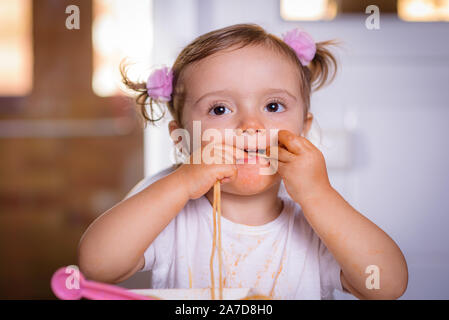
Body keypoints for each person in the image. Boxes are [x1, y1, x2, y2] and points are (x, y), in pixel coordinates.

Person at [78, 23, 408, 299]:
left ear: (303, 131)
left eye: (274, 107)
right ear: (182, 138)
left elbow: (387, 285)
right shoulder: (168, 205)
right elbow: (97, 265)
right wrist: (180, 183)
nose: (251, 126)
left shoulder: (319, 220)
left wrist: (319, 195)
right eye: (220, 109)